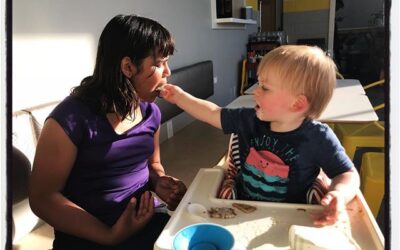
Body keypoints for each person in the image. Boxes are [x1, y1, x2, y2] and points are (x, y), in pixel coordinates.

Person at [29, 14, 187, 250]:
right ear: (128, 67)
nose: (167, 72)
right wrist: (109, 235)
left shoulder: (151, 112)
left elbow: (152, 165)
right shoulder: (70, 119)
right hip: (88, 236)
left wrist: (159, 182)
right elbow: (42, 199)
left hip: (146, 221)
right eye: (159, 63)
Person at [160, 45, 360, 226]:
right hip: (241, 209)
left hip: (293, 217)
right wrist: (179, 97)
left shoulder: (318, 137)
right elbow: (212, 113)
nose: (255, 91)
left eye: (265, 87)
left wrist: (339, 194)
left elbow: (347, 173)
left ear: (297, 103)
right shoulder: (249, 119)